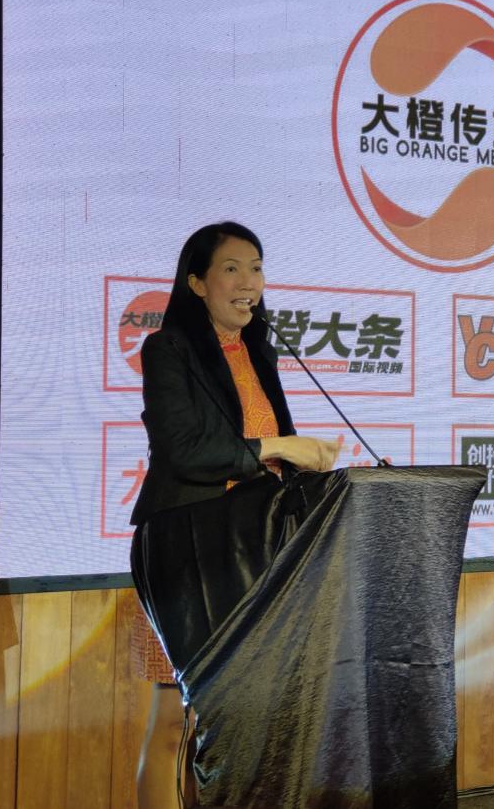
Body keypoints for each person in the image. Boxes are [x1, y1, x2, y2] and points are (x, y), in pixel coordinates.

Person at [129, 221, 339, 808]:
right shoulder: (168, 349)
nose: (248, 282)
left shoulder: (259, 352)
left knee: (253, 722)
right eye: (231, 268)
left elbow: (274, 460)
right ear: (197, 282)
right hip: (186, 552)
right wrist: (280, 446)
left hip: (255, 550)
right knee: (177, 721)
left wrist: (324, 471)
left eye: (256, 268)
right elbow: (185, 452)